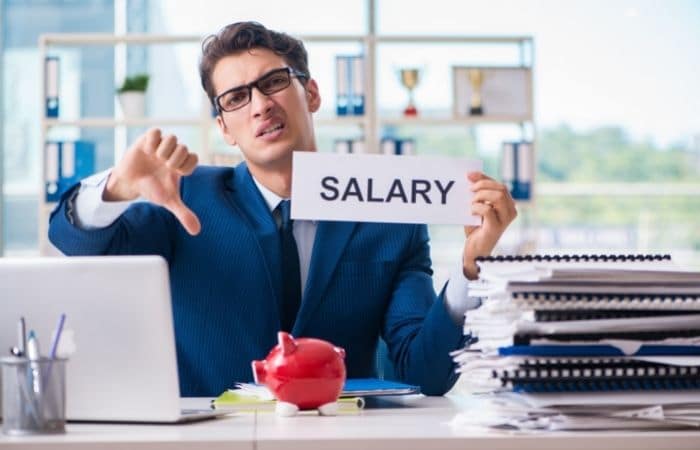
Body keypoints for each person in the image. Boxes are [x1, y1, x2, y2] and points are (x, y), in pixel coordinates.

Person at [49, 21, 517, 397]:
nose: (259, 106)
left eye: (273, 82)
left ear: (310, 93)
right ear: (225, 127)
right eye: (236, 98)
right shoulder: (185, 197)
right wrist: (116, 186)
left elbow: (427, 373)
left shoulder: (388, 218)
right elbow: (74, 239)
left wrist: (470, 267)